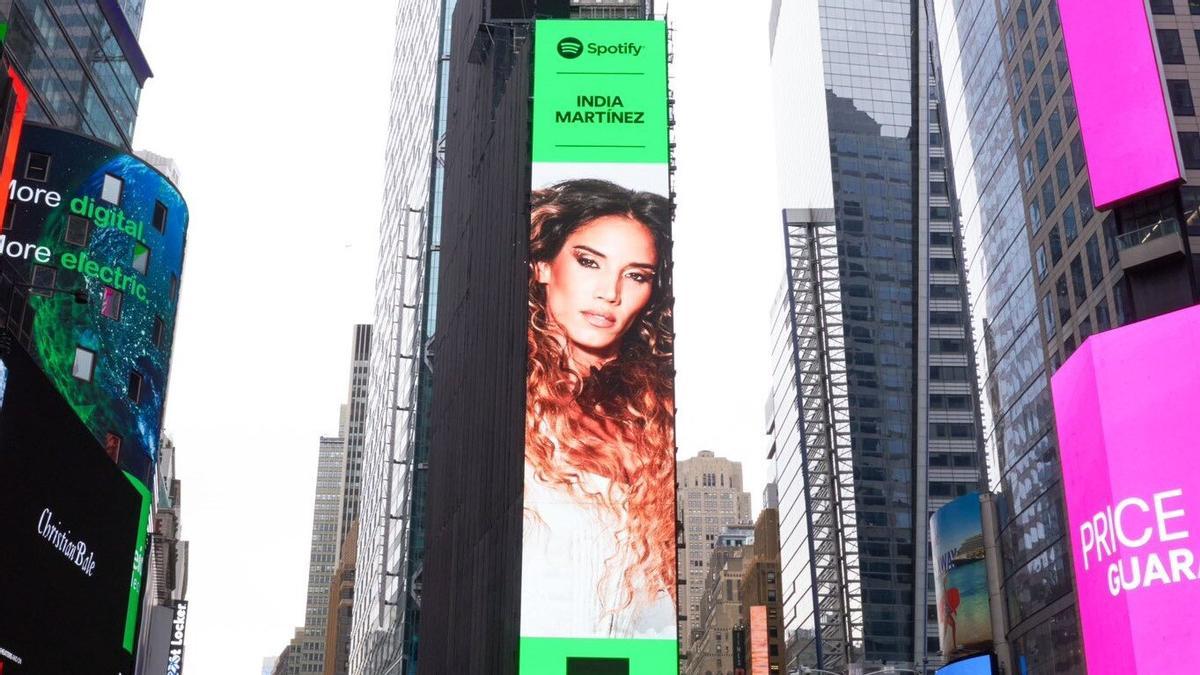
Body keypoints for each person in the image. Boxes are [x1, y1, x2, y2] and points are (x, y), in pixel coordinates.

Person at [521, 178, 676, 640]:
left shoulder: (658, 419)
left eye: (636, 275)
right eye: (589, 262)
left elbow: (661, 608)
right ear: (544, 264)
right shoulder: (499, 393)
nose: (610, 292)